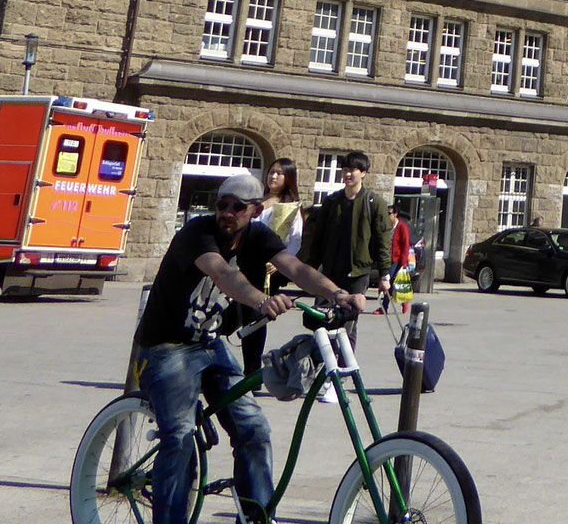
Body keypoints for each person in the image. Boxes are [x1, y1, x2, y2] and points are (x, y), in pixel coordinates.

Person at [134, 172, 367, 524]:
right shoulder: (197, 233)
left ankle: (256, 517)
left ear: (255, 210)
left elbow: (296, 267)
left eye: (237, 207)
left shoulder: (258, 235)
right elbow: (223, 275)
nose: (227, 212)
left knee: (254, 429)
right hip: (166, 347)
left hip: (209, 345)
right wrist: (262, 301)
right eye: (222, 204)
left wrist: (338, 294)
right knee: (179, 437)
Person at [299, 151, 394, 355]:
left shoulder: (374, 202)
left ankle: (343, 369)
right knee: (322, 320)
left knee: (348, 323)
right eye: (345, 170)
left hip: (358, 273)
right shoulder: (331, 201)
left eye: (353, 170)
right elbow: (318, 238)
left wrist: (385, 275)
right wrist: (310, 269)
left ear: (364, 173)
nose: (348, 174)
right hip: (330, 272)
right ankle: (322, 366)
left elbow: (383, 240)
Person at [240, 158, 303, 377]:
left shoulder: (289, 207)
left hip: (267, 269)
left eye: (279, 173)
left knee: (256, 315)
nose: (273, 176)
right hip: (243, 263)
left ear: (289, 178)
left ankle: (252, 371)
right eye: (271, 172)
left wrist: (280, 263)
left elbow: (295, 240)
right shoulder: (257, 200)